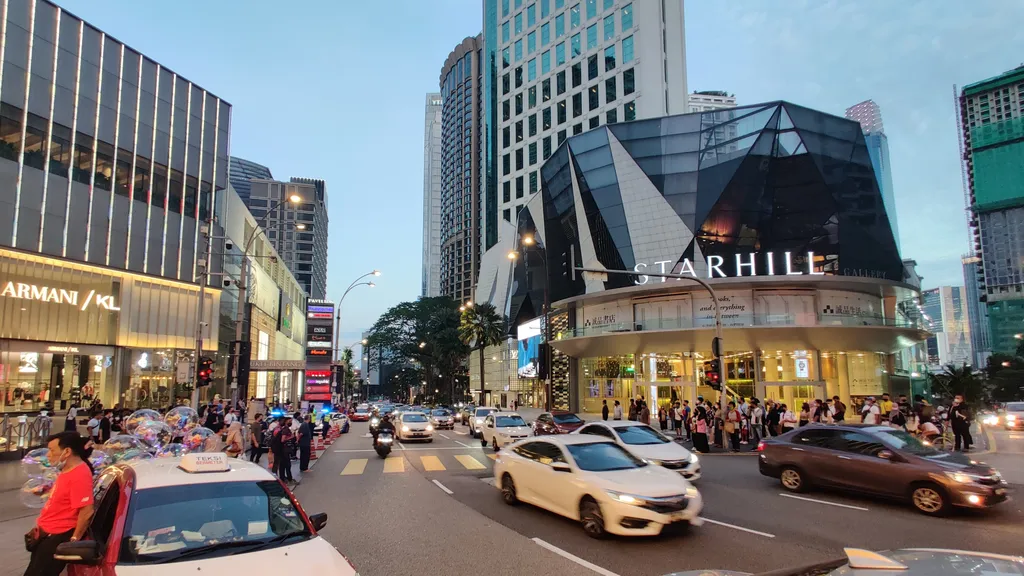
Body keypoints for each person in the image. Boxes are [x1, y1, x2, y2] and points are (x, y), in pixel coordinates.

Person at [25, 432, 95, 576]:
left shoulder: (80, 474)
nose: (48, 455)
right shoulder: (66, 470)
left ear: (67, 451)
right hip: (46, 533)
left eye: (52, 450)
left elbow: (86, 511)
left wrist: (73, 541)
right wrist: (45, 490)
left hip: (57, 537)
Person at [271, 417, 295, 484]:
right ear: (286, 421)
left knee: (282, 465)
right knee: (287, 465)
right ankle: (289, 479)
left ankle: (283, 478)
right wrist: (291, 437)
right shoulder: (285, 430)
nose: (291, 422)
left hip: (282, 450)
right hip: (285, 450)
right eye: (290, 421)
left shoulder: (283, 429)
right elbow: (282, 440)